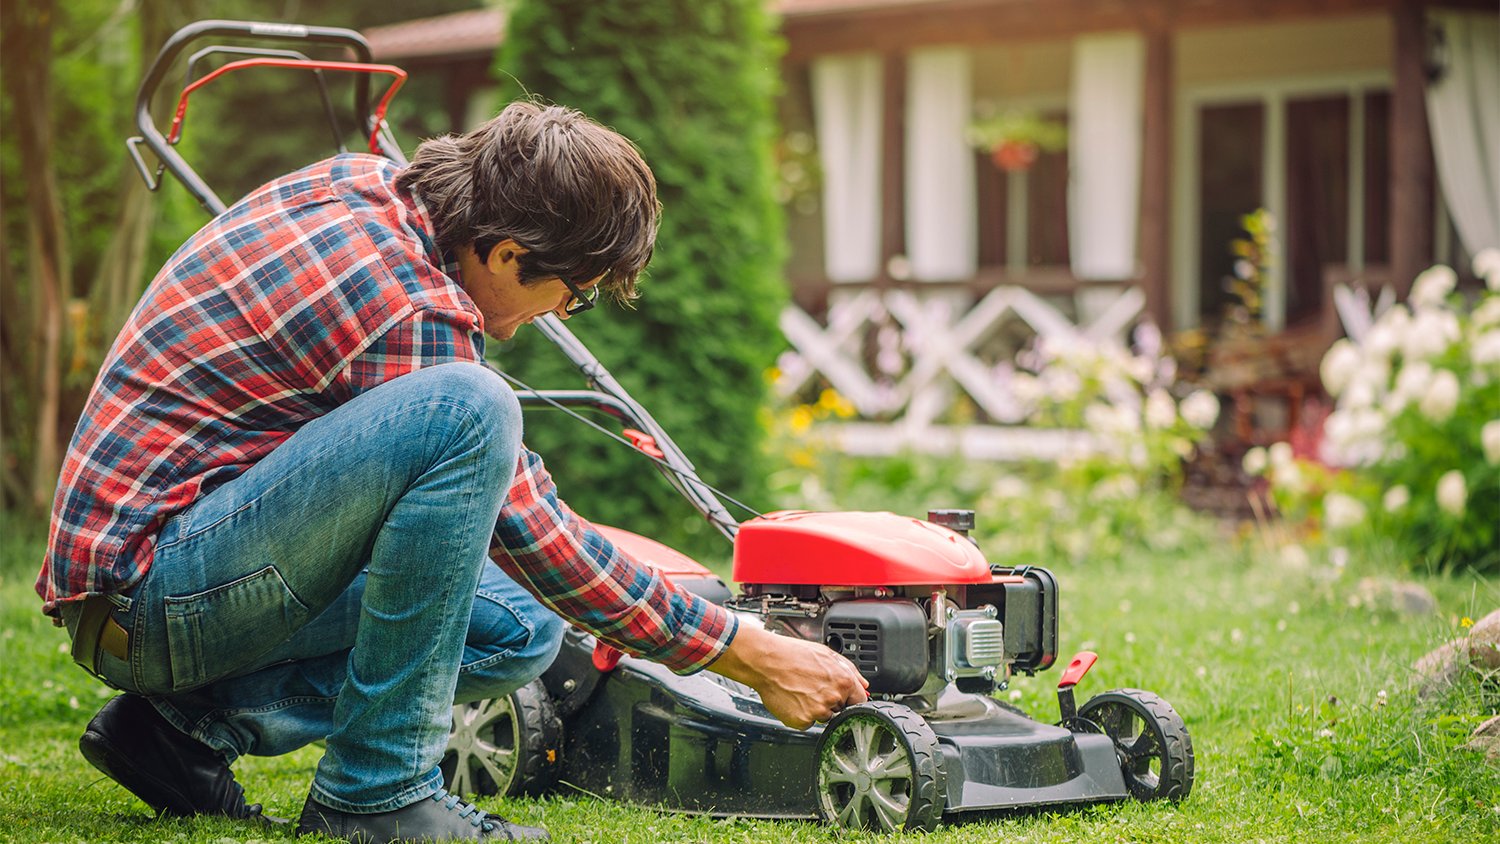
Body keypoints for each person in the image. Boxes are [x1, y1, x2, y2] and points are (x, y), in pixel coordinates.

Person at [37, 101, 868, 843]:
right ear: (506, 253)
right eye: (572, 295)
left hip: (180, 571)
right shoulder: (408, 308)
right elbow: (537, 534)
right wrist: (744, 651)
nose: (560, 317)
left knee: (521, 630)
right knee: (472, 408)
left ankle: (180, 734)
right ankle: (376, 796)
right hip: (148, 595)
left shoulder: (369, 189)